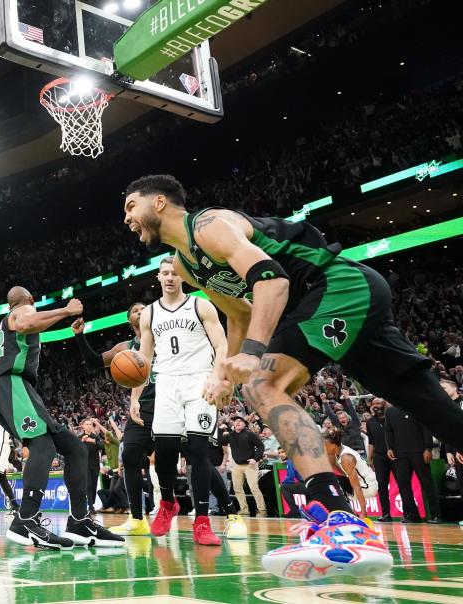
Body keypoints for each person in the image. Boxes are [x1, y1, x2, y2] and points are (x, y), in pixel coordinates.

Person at [121, 175, 463, 578]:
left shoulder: (209, 225)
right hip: (340, 299)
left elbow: (272, 279)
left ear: (159, 202)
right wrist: (226, 371)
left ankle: (337, 518)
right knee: (435, 410)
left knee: (264, 382)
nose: (126, 218)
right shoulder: (185, 266)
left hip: (335, 286)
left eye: (130, 207)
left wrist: (252, 354)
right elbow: (239, 313)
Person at [0, 287, 124, 549]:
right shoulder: (22, 312)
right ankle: (25, 519)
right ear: (30, 302)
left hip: (17, 391)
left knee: (75, 449)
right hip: (13, 385)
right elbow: (26, 321)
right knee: (43, 445)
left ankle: (79, 521)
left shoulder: (1, 336)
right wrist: (66, 310)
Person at [134, 257, 246, 545]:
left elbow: (221, 344)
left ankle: (202, 521)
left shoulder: (201, 305)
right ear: (158, 277)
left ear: (182, 276)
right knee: (166, 449)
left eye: (174, 273)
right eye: (165, 273)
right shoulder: (149, 314)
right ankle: (168, 503)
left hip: (199, 380)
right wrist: (134, 397)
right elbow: (144, 361)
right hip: (167, 382)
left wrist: (218, 377)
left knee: (198, 451)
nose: (170, 277)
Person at [72, 304, 154, 536]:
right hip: (143, 407)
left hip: (170, 401)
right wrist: (80, 337)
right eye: (135, 310)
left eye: (144, 309)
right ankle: (137, 518)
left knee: (190, 455)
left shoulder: (164, 336)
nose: (140, 311)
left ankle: (228, 512)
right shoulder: (125, 348)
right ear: (129, 319)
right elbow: (94, 363)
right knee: (128, 456)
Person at [384, 405, 441, 523]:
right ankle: (412, 515)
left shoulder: (416, 407)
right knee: (403, 484)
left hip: (419, 451)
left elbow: (426, 428)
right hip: (399, 453)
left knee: (427, 483)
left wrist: (428, 448)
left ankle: (436, 515)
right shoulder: (389, 411)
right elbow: (388, 430)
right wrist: (389, 447)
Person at [323, 429, 377, 517]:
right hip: (363, 483)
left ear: (332, 445)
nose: (323, 447)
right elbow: (334, 465)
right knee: (332, 481)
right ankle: (346, 512)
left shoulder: (346, 458)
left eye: (324, 445)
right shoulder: (338, 449)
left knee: (336, 484)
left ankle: (349, 513)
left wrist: (364, 513)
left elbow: (357, 487)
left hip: (367, 487)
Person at [223, 416, 266, 517]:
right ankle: (244, 510)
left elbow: (261, 446)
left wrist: (255, 459)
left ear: (244, 424)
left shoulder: (250, 434)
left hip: (250, 465)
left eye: (240, 421)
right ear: (233, 424)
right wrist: (222, 431)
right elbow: (220, 442)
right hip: (237, 466)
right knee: (237, 488)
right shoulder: (230, 435)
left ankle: (262, 510)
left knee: (254, 488)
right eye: (235, 421)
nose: (237, 423)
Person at [365, 399, 393, 521]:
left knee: (402, 484)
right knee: (381, 485)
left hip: (395, 454)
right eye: (373, 404)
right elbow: (371, 441)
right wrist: (369, 458)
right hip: (379, 456)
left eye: (378, 403)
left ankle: (409, 513)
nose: (375, 406)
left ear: (384, 404)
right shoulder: (370, 422)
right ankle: (386, 514)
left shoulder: (391, 417)